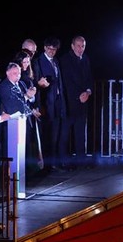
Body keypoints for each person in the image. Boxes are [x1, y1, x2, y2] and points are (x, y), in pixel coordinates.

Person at [32, 36, 68, 172]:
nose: (52, 52)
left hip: (58, 101)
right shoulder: (39, 62)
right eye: (50, 49)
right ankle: (47, 165)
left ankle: (54, 162)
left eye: (54, 50)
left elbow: (59, 82)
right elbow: (37, 82)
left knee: (56, 133)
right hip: (47, 103)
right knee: (48, 135)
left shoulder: (56, 61)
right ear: (45, 48)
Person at [60, 35, 93, 167]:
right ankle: (65, 161)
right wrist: (77, 96)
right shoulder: (65, 60)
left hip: (83, 102)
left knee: (80, 132)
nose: (81, 49)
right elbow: (66, 82)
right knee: (65, 133)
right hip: (69, 103)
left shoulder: (85, 59)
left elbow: (89, 77)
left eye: (83, 46)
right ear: (72, 46)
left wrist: (88, 92)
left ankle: (81, 160)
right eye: (78, 46)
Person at [13, 50, 43, 172]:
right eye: (23, 62)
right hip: (24, 113)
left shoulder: (28, 75)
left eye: (27, 62)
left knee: (31, 141)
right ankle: (25, 170)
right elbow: (20, 97)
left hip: (30, 111)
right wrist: (30, 107)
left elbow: (32, 93)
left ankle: (31, 168)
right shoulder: (18, 77)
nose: (26, 64)